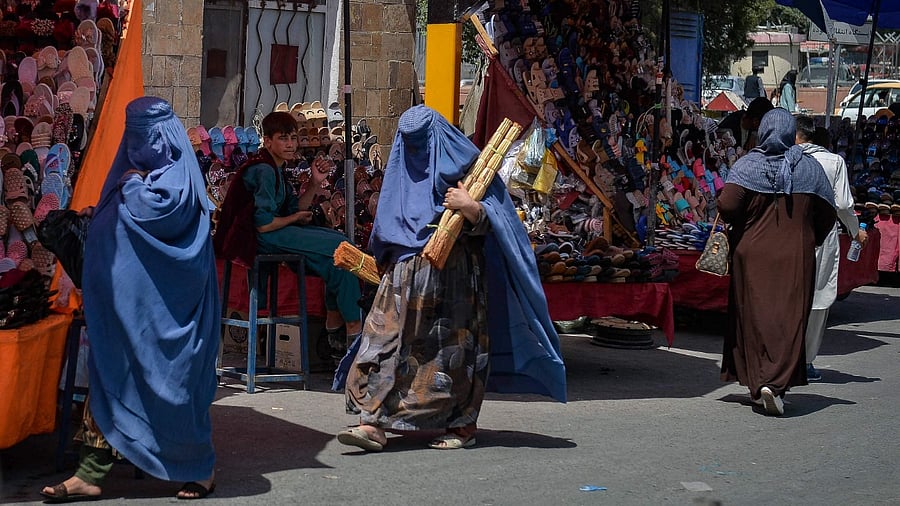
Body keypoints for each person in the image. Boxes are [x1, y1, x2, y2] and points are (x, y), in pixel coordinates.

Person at [335, 105, 566, 451]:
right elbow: (386, 225)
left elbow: (501, 223)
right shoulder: (401, 171)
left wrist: (470, 207)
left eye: (422, 143)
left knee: (449, 357)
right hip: (401, 281)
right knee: (382, 345)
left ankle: (460, 426)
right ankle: (372, 422)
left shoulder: (470, 168)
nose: (417, 153)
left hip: (455, 282)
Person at [41, 97, 219, 501]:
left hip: (172, 313)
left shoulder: (175, 180)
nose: (137, 144)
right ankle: (90, 472)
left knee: (176, 389)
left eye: (145, 135)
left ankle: (199, 469)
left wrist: (133, 185)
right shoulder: (127, 176)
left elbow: (162, 214)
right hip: (124, 311)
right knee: (110, 380)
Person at [717, 108, 836, 416]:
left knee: (752, 318)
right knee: (788, 318)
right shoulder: (810, 169)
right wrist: (809, 237)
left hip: (751, 255)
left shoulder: (748, 165)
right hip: (795, 256)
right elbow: (827, 215)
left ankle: (759, 384)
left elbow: (727, 205)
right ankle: (775, 385)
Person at [214, 111, 362, 349]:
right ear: (268, 141)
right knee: (340, 247)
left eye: (293, 138)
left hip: (274, 233)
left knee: (340, 251)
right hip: (260, 238)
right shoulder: (263, 170)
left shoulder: (276, 169)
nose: (291, 144)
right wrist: (295, 217)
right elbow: (264, 224)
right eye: (284, 138)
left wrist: (315, 182)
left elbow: (295, 208)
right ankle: (352, 326)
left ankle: (336, 326)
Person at [795, 117, 867, 380]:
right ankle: (806, 360)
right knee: (818, 297)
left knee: (789, 295)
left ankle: (785, 357)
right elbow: (844, 205)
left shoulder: (786, 158)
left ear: (796, 136)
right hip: (822, 237)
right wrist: (854, 230)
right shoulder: (833, 162)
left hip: (788, 235)